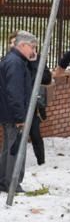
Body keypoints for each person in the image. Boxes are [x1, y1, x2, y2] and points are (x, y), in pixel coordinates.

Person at [0, 31, 39, 193]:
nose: (34, 51)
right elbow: (14, 91)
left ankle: (4, 180)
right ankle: (12, 184)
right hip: (13, 114)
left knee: (9, 148)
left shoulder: (13, 60)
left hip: (8, 112)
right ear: (22, 45)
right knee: (16, 149)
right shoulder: (15, 63)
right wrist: (20, 117)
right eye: (32, 47)